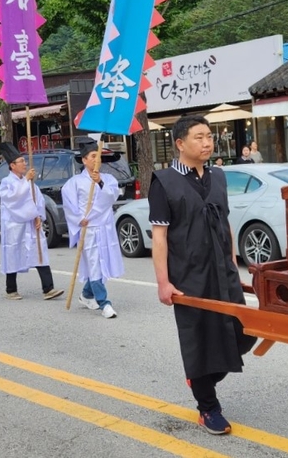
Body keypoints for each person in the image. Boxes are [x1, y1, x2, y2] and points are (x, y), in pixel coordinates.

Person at [149, 114, 256, 436]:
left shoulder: (219, 177)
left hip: (223, 272)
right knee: (200, 341)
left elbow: (225, 223)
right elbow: (159, 237)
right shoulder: (163, 182)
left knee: (242, 332)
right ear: (180, 143)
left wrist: (234, 263)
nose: (207, 142)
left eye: (209, 136)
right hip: (189, 277)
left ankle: (199, 378)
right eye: (199, 137)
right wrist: (163, 282)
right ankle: (208, 407)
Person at [62, 138, 124, 319]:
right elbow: (68, 203)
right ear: (84, 160)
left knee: (101, 262)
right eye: (93, 156)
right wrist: (78, 219)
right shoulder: (74, 182)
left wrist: (100, 183)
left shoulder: (108, 179)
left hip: (105, 227)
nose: (97, 160)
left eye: (98, 156)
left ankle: (87, 294)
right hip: (88, 228)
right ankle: (104, 303)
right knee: (95, 263)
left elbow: (112, 196)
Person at [0, 143, 63, 301]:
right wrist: (26, 181)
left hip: (31, 223)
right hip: (15, 224)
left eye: (24, 161)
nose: (24, 164)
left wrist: (38, 215)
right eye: (21, 161)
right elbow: (13, 199)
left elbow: (38, 200)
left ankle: (48, 288)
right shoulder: (7, 183)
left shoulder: (29, 182)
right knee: (13, 253)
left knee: (39, 251)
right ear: (12, 165)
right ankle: (11, 289)